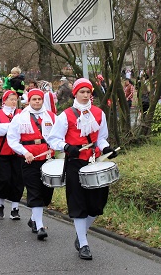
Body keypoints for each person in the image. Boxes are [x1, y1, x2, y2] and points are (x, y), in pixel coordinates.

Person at [47, 78, 118, 260]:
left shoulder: (99, 113)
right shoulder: (66, 115)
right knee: (78, 203)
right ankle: (84, 244)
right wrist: (66, 147)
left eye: (88, 92)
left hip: (94, 163)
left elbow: (101, 138)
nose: (86, 95)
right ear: (75, 94)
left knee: (97, 205)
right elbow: (53, 139)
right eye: (82, 92)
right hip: (75, 163)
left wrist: (106, 149)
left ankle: (81, 235)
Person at [7, 88, 56, 241]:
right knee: (34, 191)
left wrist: (55, 147)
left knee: (47, 194)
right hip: (29, 160)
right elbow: (12, 139)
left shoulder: (52, 117)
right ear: (29, 101)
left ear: (42, 101)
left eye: (39, 99)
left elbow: (59, 136)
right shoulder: (20, 117)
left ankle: (34, 219)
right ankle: (40, 226)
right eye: (34, 99)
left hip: (47, 159)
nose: (36, 102)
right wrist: (24, 152)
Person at [0, 90, 23, 219]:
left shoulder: (21, 114)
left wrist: (7, 127)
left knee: (18, 181)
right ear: (5, 100)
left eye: (15, 99)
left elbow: (25, 128)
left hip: (18, 153)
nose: (14, 102)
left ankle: (15, 208)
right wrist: (13, 126)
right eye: (11, 99)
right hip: (2, 153)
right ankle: (0, 204)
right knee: (4, 180)